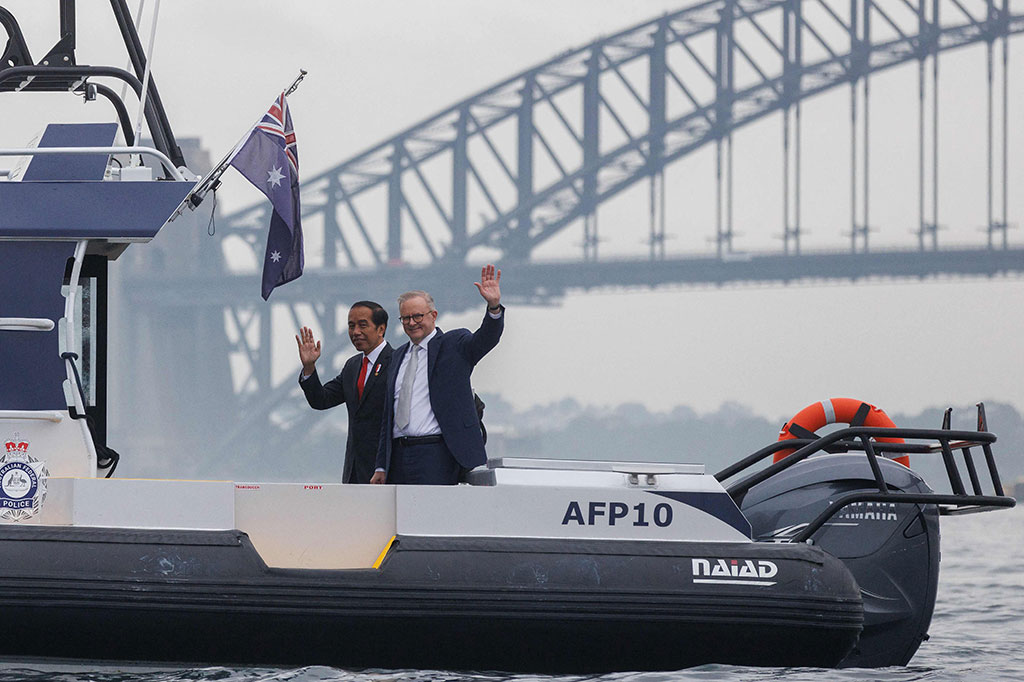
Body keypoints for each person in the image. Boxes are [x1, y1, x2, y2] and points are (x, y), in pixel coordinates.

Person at [370, 264, 503, 485]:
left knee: (434, 507)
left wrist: (494, 307)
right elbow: (388, 415)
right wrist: (381, 465)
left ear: (433, 315)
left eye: (417, 316)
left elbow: (486, 338)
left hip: (437, 454)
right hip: (398, 457)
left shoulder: (454, 344)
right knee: (401, 509)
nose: (411, 323)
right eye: (405, 318)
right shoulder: (396, 356)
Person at [296, 301, 394, 484]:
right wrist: (309, 367)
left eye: (362, 325)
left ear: (381, 329)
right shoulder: (352, 366)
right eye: (351, 326)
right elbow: (321, 400)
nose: (355, 332)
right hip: (354, 470)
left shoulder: (397, 362)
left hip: (386, 469)